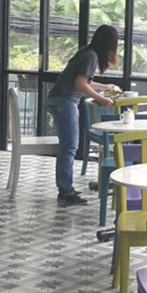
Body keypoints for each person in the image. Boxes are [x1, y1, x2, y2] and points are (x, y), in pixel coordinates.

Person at [47, 25, 118, 206]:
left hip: (60, 99)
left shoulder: (87, 52)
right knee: (69, 147)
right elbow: (80, 84)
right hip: (65, 100)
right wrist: (101, 99)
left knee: (68, 146)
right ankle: (65, 192)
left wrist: (104, 87)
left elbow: (84, 81)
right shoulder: (91, 56)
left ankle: (65, 188)